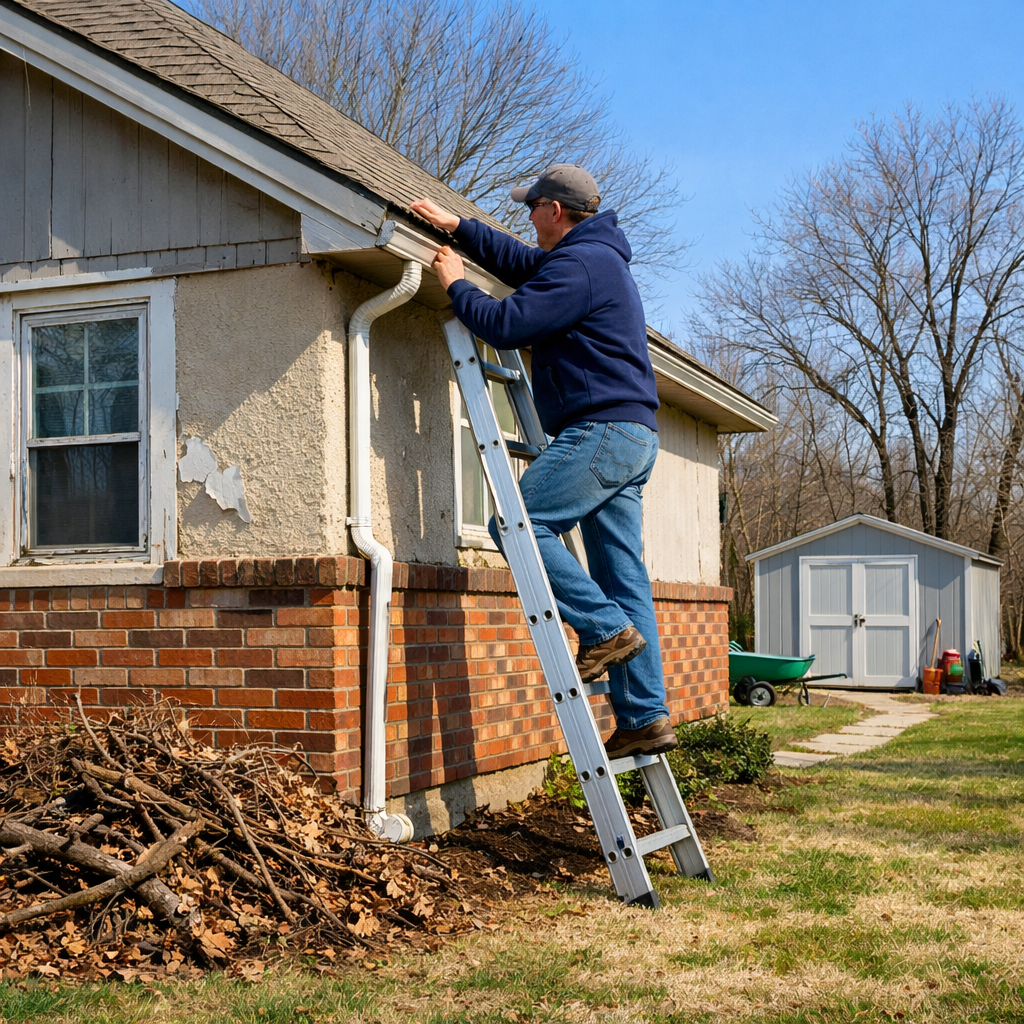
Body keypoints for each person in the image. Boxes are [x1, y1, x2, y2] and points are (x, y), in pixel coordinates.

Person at [410, 164, 677, 758]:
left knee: (516, 524)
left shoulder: (581, 266)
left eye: (533, 207)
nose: (528, 218)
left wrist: (457, 282)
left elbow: (506, 324)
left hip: (601, 431)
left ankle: (604, 630)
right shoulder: (592, 258)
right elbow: (523, 265)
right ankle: (644, 716)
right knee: (623, 579)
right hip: (631, 436)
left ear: (555, 210)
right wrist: (462, 227)